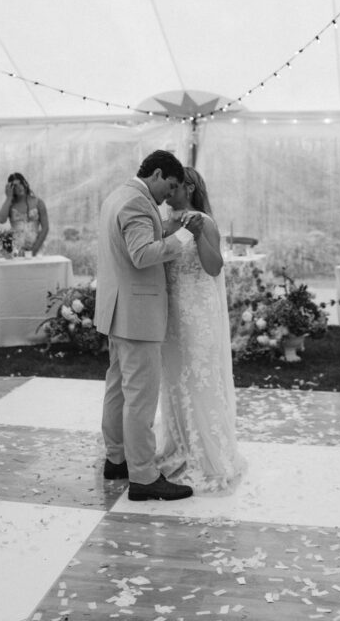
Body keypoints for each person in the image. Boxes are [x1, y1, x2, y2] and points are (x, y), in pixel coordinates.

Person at [95, 149, 201, 502]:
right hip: (136, 314)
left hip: (117, 310)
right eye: (168, 186)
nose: (168, 195)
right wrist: (184, 237)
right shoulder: (138, 203)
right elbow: (142, 255)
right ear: (156, 174)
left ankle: (116, 459)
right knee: (140, 397)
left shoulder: (116, 195)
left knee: (119, 389)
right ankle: (143, 476)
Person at [157, 166, 246, 493]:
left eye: (174, 186)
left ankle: (207, 454)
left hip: (198, 314)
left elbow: (214, 266)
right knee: (175, 381)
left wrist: (196, 235)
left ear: (190, 187)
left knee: (198, 378)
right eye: (166, 186)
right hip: (171, 314)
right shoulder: (163, 222)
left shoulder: (203, 222)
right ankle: (178, 445)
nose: (168, 191)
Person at [0, 173, 49, 255]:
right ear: (11, 189)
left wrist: (34, 250)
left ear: (25, 183)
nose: (19, 187)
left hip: (37, 248)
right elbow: (1, 220)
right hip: (16, 250)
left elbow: (45, 228)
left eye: (20, 183)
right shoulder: (10, 205)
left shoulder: (38, 202)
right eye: (15, 186)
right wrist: (8, 198)